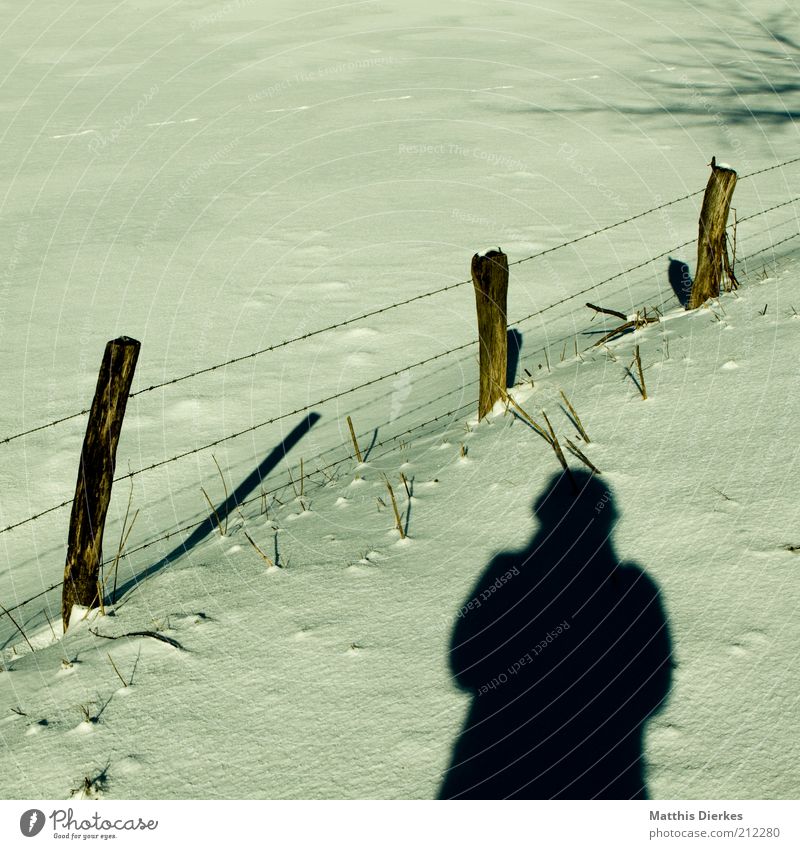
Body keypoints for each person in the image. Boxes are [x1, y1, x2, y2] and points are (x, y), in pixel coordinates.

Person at [439, 470, 672, 799]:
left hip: (497, 765)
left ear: (542, 513)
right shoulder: (633, 590)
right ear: (608, 519)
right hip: (602, 771)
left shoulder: (508, 574)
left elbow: (465, 667)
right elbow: (653, 691)